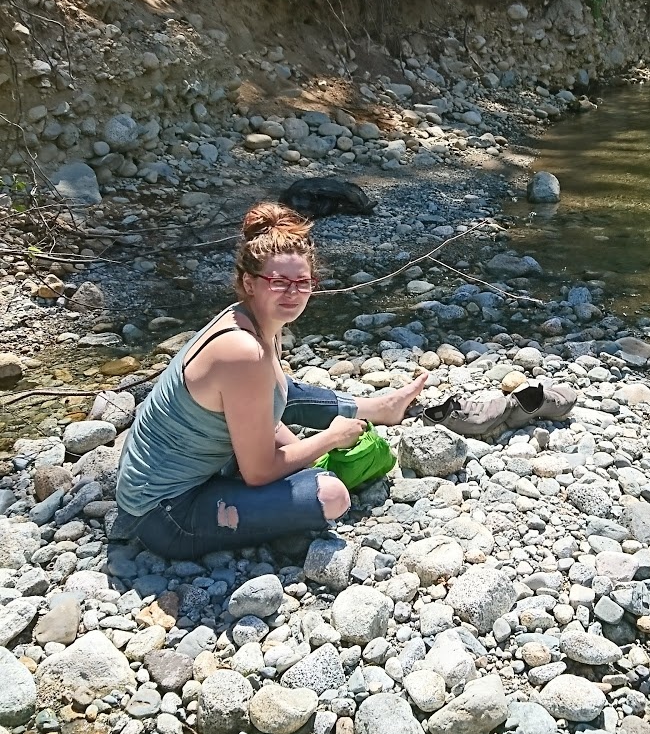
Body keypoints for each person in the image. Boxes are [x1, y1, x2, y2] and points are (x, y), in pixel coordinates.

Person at [115, 201, 427, 558]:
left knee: (284, 392)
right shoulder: (242, 351)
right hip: (166, 516)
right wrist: (329, 439)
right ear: (250, 282)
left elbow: (269, 405)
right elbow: (259, 473)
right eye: (278, 282)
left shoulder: (251, 321)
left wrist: (299, 451)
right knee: (332, 494)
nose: (292, 293)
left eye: (303, 282)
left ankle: (379, 407)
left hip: (181, 478)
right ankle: (371, 412)